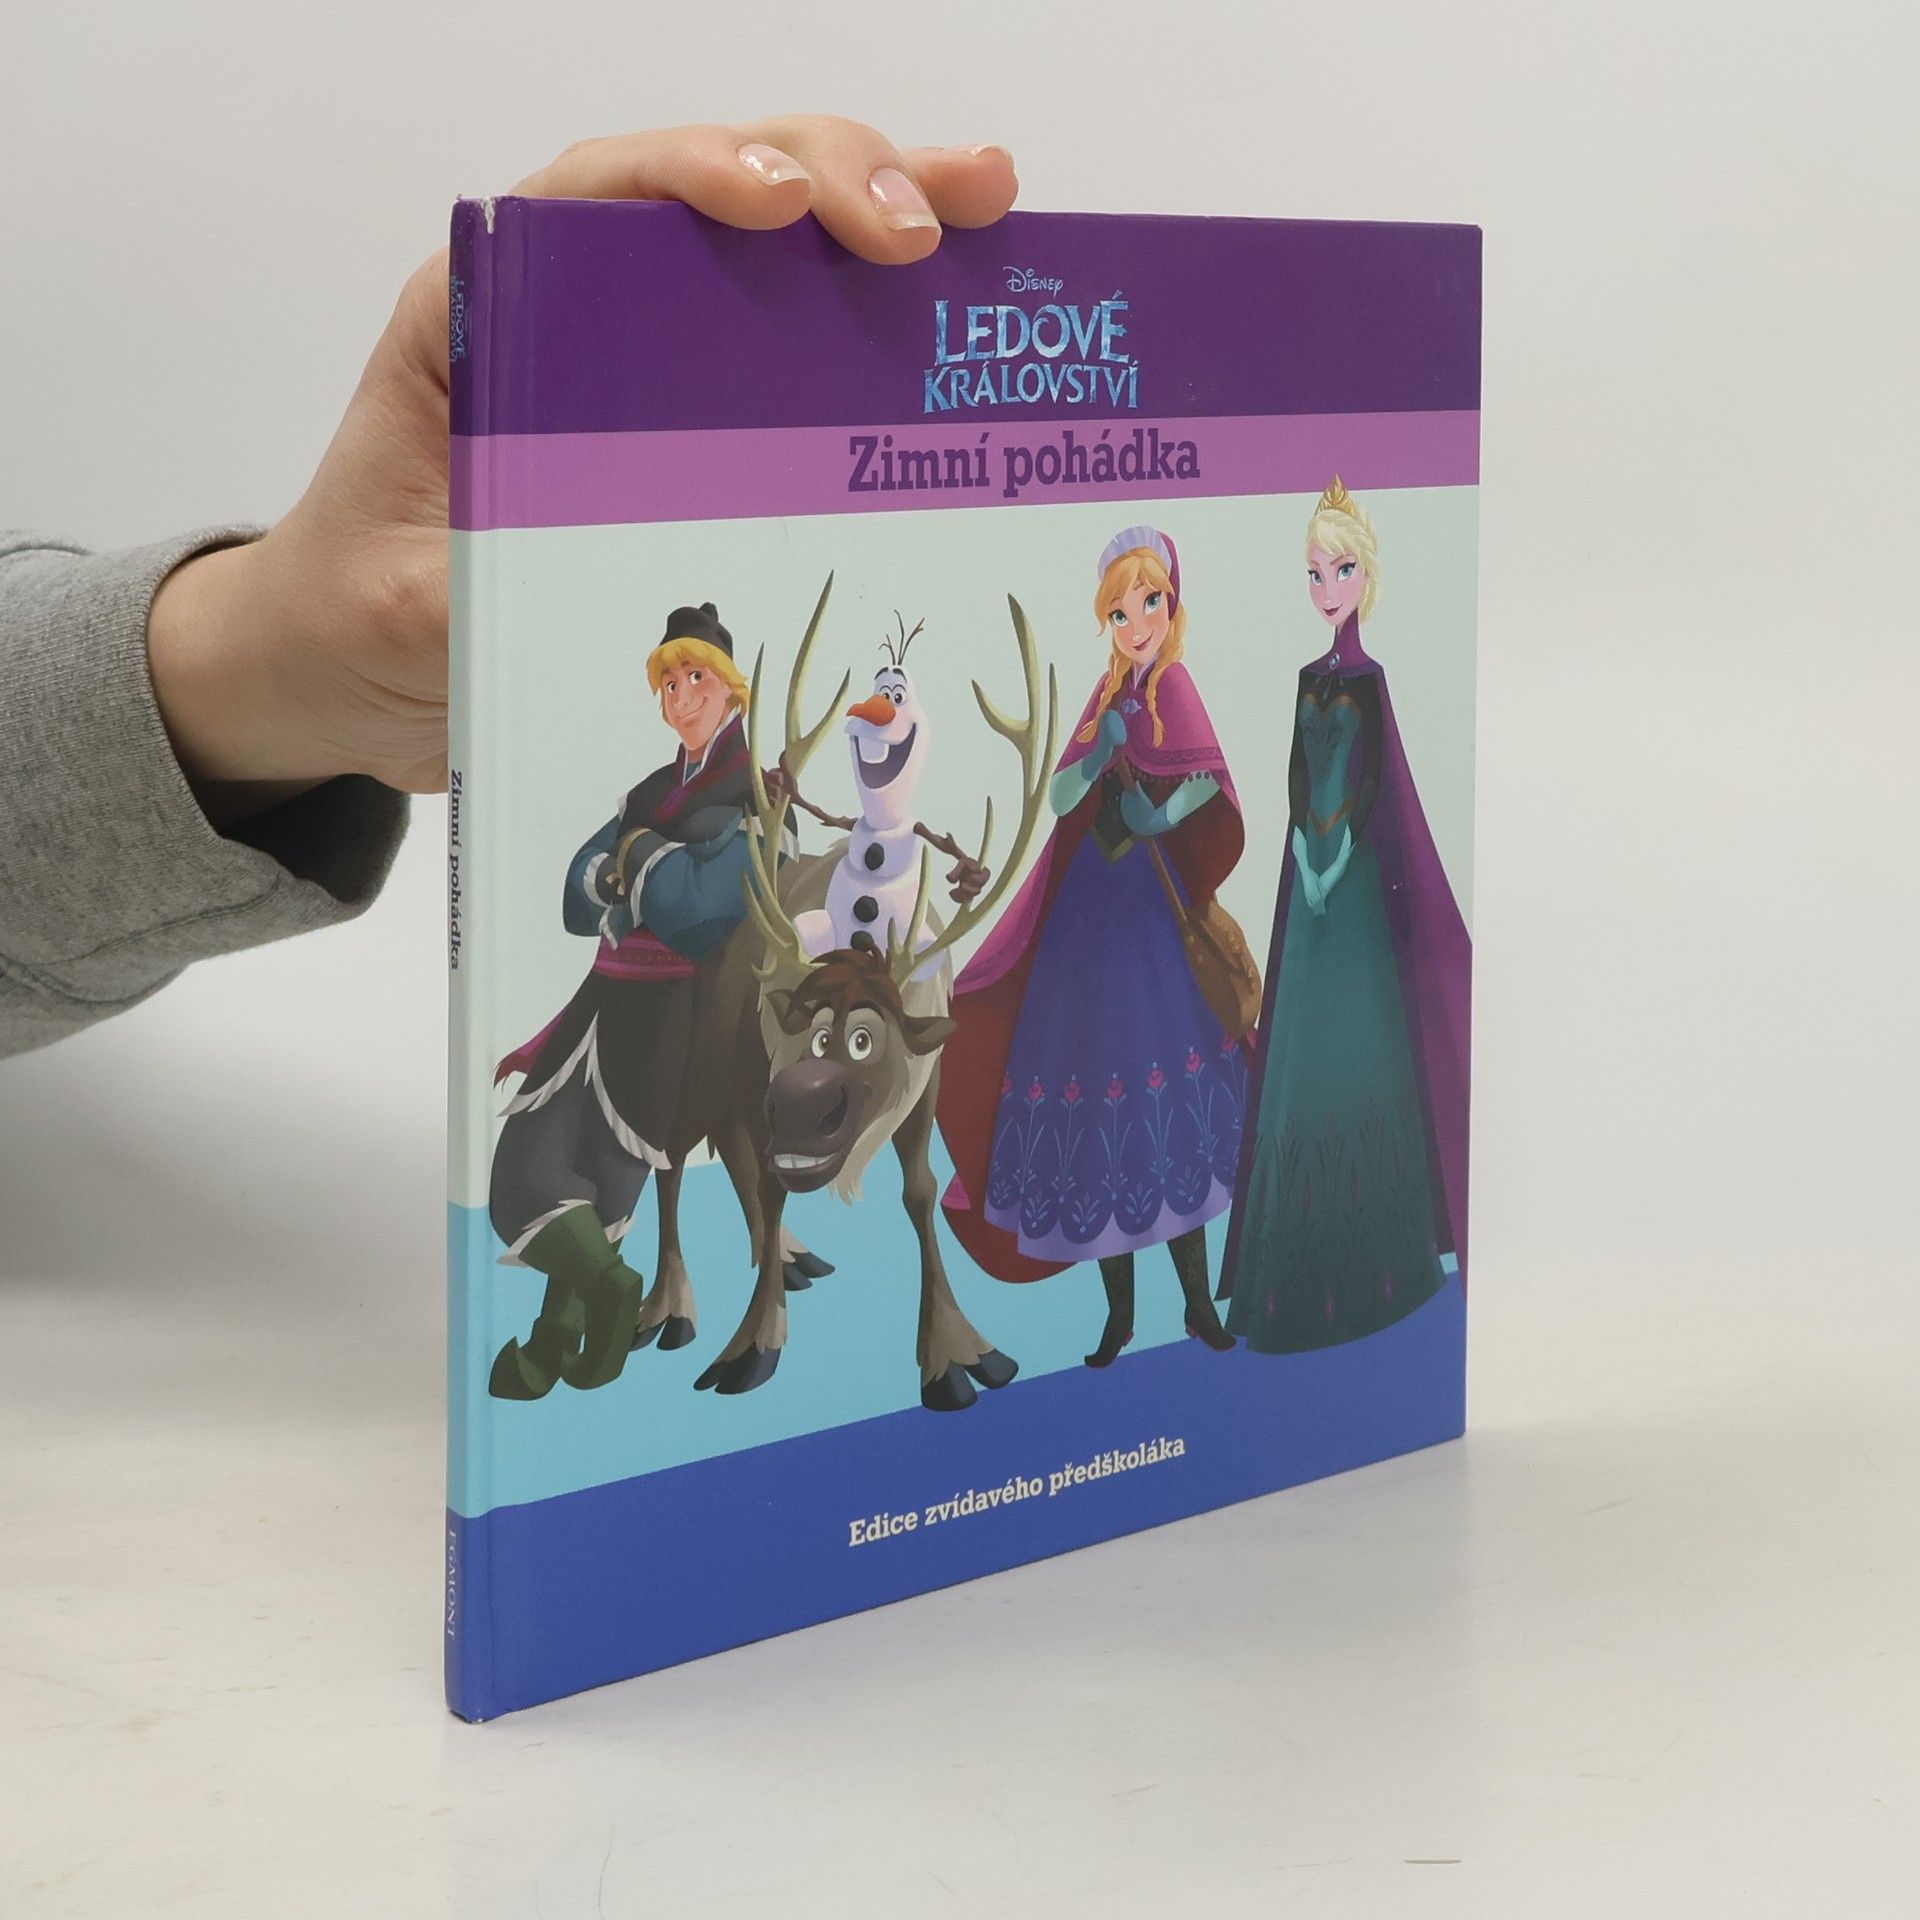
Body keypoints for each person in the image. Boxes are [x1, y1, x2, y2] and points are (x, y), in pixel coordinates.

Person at [0, 118, 1018, 1058]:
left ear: (732, 693)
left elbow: (696, 904)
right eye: (670, 682)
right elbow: (578, 892)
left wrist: (635, 867)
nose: (680, 698)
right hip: (618, 1005)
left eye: (695, 682)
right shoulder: (653, 787)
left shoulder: (754, 792)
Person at [936, 526, 1246, 1367]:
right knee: (1100, 1132)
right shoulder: (1107, 693)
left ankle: (1196, 1306)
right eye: (1119, 610)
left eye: (1149, 603)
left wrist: (1162, 813)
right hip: (1088, 918)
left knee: (1162, 1128)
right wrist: (1099, 753)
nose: (1135, 622)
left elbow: (1210, 778)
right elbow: (1061, 796)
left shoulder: (1172, 684)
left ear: (1171, 606)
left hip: (1148, 920)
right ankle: (1120, 1318)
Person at [1216, 478, 1472, 1351]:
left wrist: (1337, 858)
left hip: (1353, 893)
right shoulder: (1308, 679)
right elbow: (1301, 775)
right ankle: (1289, 1278)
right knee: (1301, 1066)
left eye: (1341, 570)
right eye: (1315, 572)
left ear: (1367, 575)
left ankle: (1379, 1271)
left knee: (1355, 1059)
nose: (1327, 587)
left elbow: (1372, 784)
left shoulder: (1368, 680)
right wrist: (1301, 848)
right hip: (1310, 889)